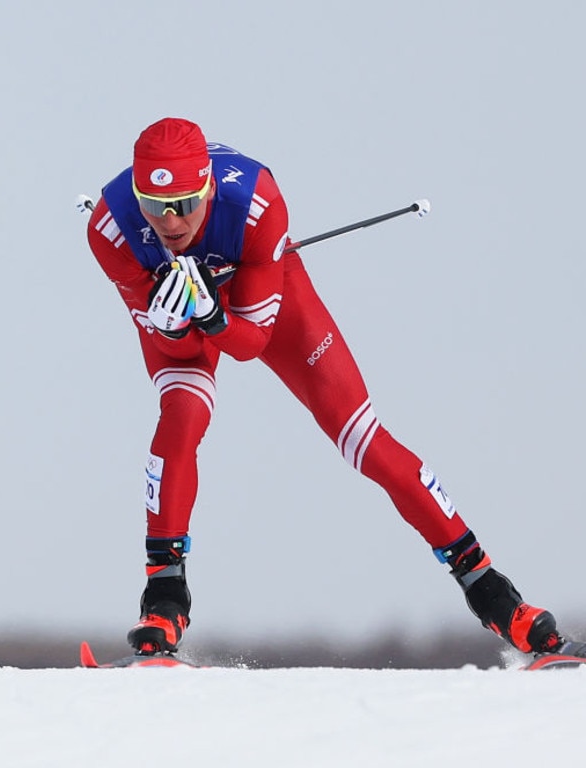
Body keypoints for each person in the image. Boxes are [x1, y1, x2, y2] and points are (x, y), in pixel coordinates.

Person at [85, 116, 583, 659]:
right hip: (189, 318)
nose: (171, 222)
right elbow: (178, 355)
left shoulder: (255, 201)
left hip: (260, 293)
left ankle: (498, 599)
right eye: (155, 207)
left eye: (184, 202)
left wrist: (212, 315)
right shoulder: (111, 228)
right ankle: (163, 603)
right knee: (180, 419)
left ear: (206, 187)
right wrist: (179, 322)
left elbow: (251, 341)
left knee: (365, 441)